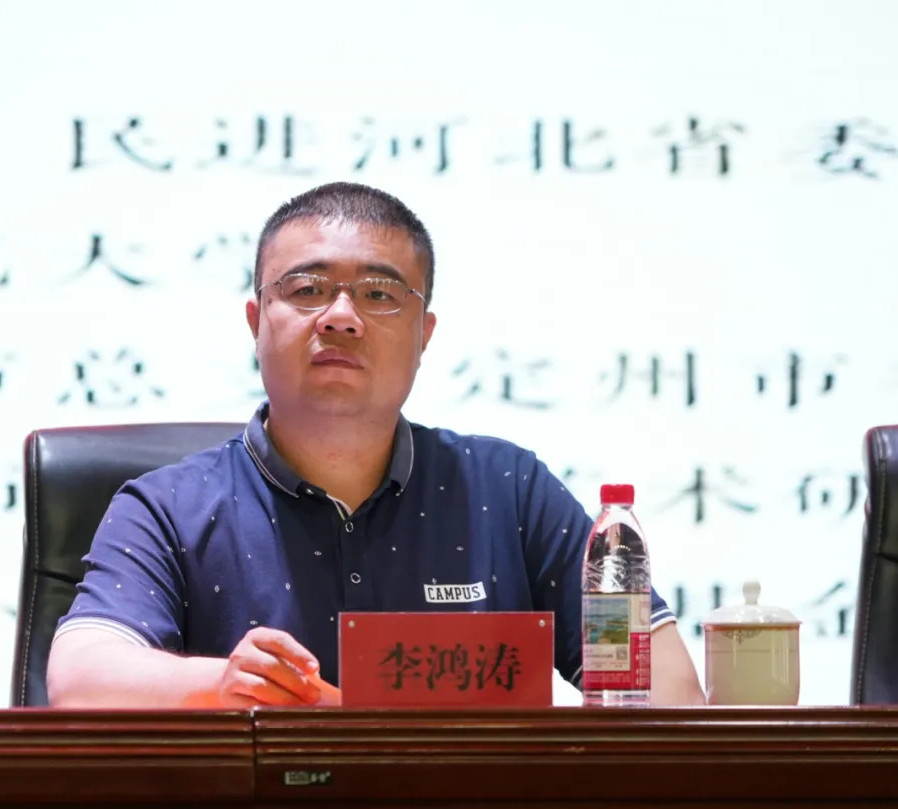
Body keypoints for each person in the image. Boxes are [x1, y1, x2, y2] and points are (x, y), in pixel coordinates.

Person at [46, 181, 705, 709]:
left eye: (379, 294)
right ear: (256, 321)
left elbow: (669, 689)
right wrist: (222, 684)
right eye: (307, 289)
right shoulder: (166, 505)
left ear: (425, 333)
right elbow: (80, 677)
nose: (341, 316)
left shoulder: (509, 489)